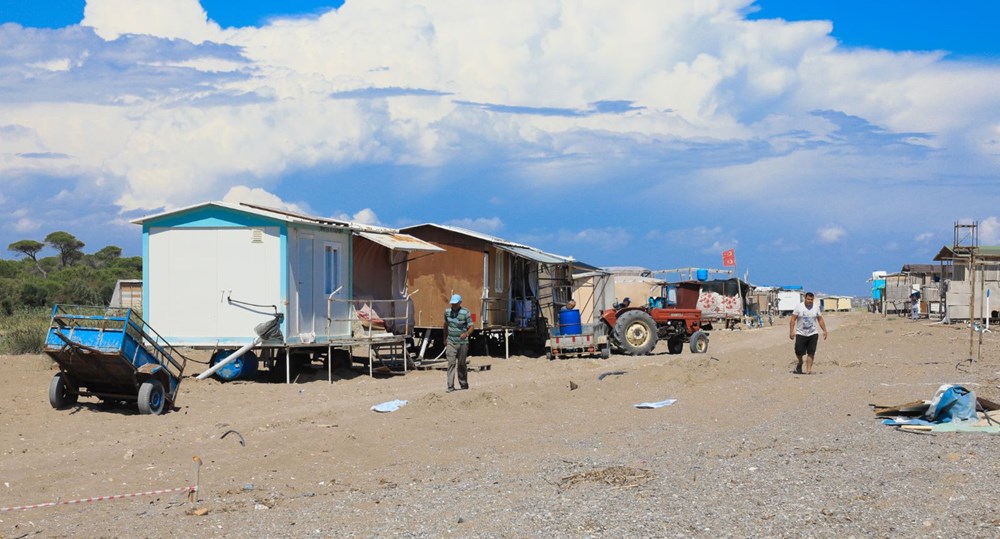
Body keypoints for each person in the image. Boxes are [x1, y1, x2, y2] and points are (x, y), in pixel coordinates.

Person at [789, 292, 827, 374]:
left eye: (811, 300)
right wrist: (791, 331)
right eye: (808, 299)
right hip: (800, 333)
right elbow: (793, 319)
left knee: (811, 352)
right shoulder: (799, 307)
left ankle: (808, 370)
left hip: (813, 333)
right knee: (798, 351)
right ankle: (800, 362)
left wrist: (824, 330)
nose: (810, 301)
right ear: (805, 298)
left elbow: (820, 319)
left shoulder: (816, 308)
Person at [443, 293, 473, 392]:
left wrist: (466, 334)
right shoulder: (447, 312)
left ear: (460, 302)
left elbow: (471, 327)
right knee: (451, 363)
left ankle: (463, 384)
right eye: (452, 304)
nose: (454, 306)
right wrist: (445, 338)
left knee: (461, 364)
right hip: (451, 341)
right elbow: (445, 325)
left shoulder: (466, 312)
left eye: (455, 304)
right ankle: (450, 386)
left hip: (462, 342)